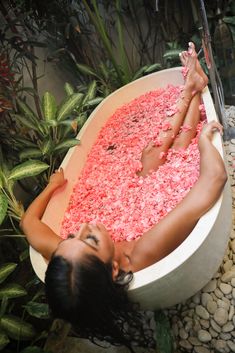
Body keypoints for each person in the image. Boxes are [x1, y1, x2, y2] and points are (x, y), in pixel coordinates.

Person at [20, 43, 227, 352]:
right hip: (171, 203)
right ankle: (195, 92)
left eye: (71, 236)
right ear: (114, 270)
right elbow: (213, 180)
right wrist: (205, 143)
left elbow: (29, 224)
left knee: (151, 156)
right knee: (180, 151)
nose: (85, 224)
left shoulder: (74, 259)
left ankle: (191, 89)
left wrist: (52, 186)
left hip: (142, 200)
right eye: (90, 238)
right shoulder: (142, 252)